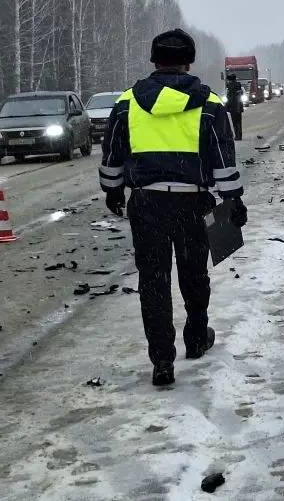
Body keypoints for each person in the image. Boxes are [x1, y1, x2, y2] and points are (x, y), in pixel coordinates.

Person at [99, 28, 248, 387]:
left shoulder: (127, 103)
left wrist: (113, 190)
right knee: (194, 275)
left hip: (147, 203)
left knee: (153, 280)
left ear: (154, 60)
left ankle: (162, 361)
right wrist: (233, 199)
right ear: (189, 61)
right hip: (192, 202)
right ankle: (196, 338)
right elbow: (222, 158)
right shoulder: (210, 104)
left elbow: (113, 152)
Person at [225, 73, 244, 140]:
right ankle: (239, 135)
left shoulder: (230, 86)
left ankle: (237, 136)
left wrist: (226, 106)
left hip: (233, 107)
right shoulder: (238, 86)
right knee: (239, 122)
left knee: (235, 122)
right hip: (239, 106)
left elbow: (229, 98)